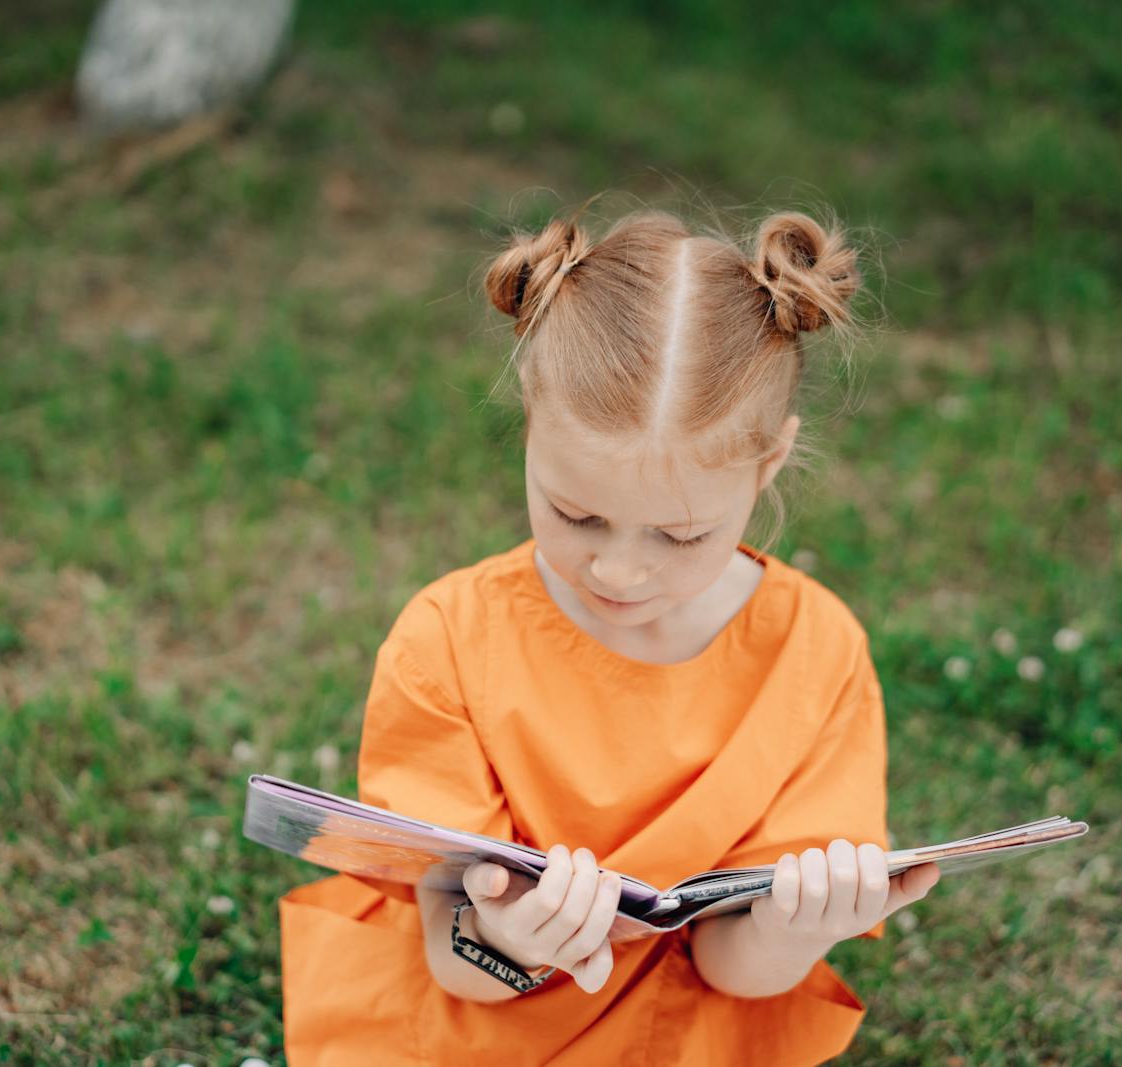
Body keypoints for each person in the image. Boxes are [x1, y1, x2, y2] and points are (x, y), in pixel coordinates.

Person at [276, 204, 942, 1065]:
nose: (619, 572)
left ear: (769, 465)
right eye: (576, 513)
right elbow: (454, 957)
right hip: (481, 1026)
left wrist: (791, 928)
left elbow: (736, 969)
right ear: (529, 419)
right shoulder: (448, 639)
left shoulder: (815, 655)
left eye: (679, 535)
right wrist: (513, 937)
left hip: (687, 1030)